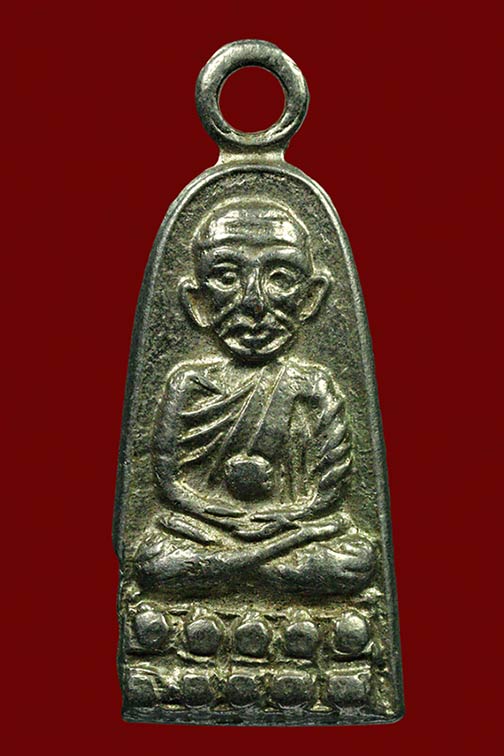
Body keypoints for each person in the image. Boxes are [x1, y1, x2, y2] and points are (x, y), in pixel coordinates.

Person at [135, 198, 375, 596]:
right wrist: (219, 516)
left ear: (311, 298)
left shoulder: (311, 384)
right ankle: (258, 568)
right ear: (197, 302)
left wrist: (287, 519)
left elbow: (330, 489)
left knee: (355, 558)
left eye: (280, 278)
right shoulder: (189, 383)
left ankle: (230, 570)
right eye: (226, 277)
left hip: (290, 529)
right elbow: (169, 483)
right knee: (151, 558)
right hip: (205, 528)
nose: (253, 303)